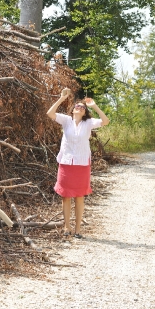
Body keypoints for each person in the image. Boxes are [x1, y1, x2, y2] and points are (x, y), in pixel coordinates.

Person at [46, 88, 110, 238]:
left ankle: (78, 230)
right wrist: (62, 98)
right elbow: (50, 113)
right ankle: (67, 227)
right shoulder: (66, 120)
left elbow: (105, 121)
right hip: (66, 162)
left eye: (82, 107)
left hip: (82, 164)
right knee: (66, 196)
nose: (79, 107)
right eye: (77, 106)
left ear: (85, 112)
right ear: (73, 110)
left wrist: (94, 106)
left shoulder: (88, 123)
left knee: (80, 196)